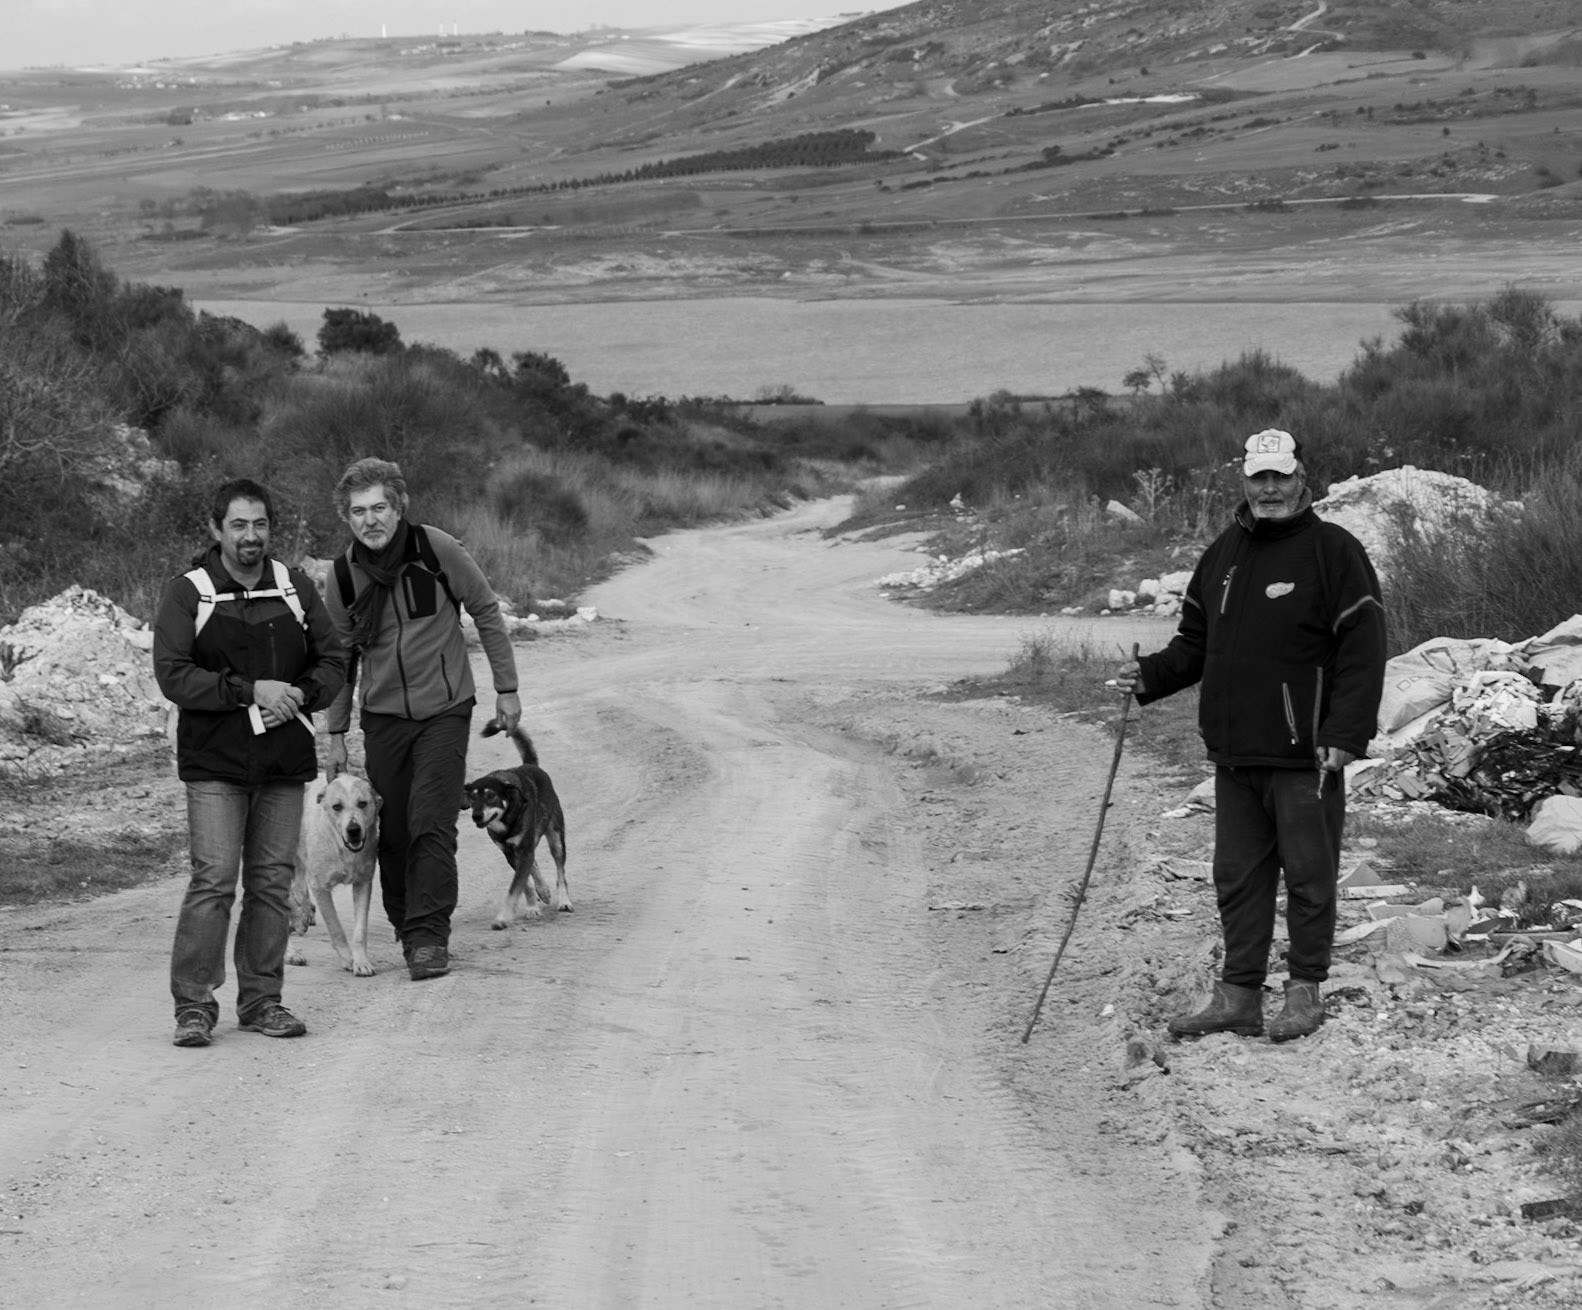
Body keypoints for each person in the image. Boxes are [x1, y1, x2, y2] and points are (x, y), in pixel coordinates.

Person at [1115, 428, 1385, 1042]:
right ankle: (1238, 996)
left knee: (1309, 877)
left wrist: (1345, 730)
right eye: (1258, 477)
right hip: (1235, 753)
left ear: (1300, 479)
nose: (1269, 489)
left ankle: (1304, 991)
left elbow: (1363, 649)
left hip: (1305, 754)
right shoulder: (1224, 553)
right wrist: (1147, 676)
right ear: (1244, 480)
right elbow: (1194, 644)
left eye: (1279, 476)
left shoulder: (1334, 551)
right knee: (1236, 877)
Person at [154, 478, 348, 1048]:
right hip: (214, 762)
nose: (250, 536)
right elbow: (173, 674)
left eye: (260, 524)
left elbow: (333, 659)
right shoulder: (188, 593)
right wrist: (250, 691)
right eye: (238, 524)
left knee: (271, 881)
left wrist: (302, 692)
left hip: (283, 761)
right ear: (216, 529)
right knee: (214, 881)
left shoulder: (294, 586)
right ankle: (194, 1007)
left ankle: (262, 1001)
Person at [323, 457, 521, 981]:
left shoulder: (437, 550)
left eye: (379, 508)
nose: (370, 520)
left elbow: (485, 610)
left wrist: (507, 688)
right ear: (347, 517)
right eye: (359, 511)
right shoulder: (342, 576)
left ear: (399, 507)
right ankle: (407, 926)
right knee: (390, 830)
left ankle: (430, 936)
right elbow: (340, 656)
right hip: (383, 717)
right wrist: (336, 731)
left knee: (430, 822)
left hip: (445, 710)